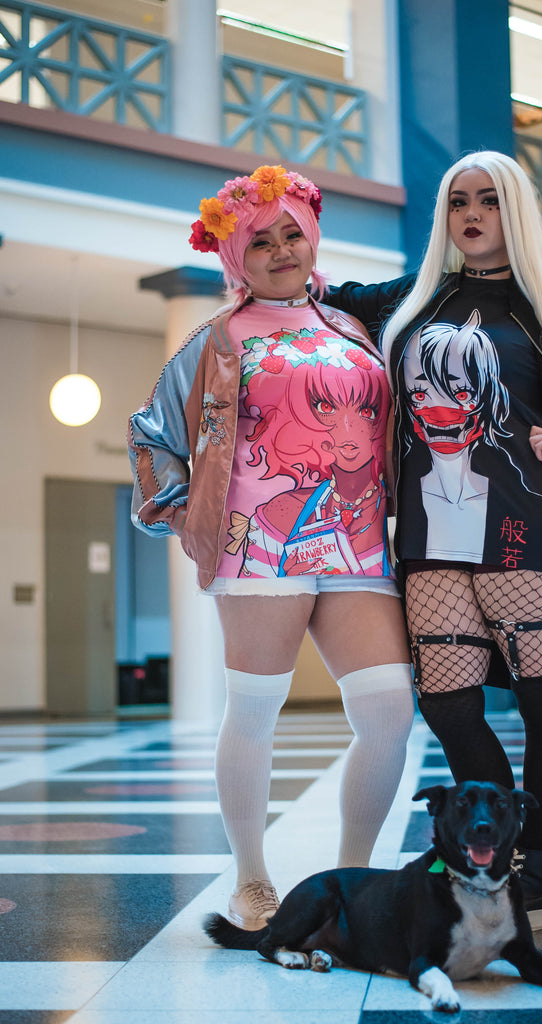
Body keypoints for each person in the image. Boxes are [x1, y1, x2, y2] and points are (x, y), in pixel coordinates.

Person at [325, 150, 542, 929]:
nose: (471, 214)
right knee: (447, 705)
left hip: (531, 524)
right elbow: (316, 297)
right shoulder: (412, 300)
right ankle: (503, 857)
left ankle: (533, 875)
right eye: (458, 201)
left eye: (487, 201)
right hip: (430, 532)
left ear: (513, 212)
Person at [128, 164, 414, 930]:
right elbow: (150, 434)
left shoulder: (353, 329)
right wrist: (186, 516)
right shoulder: (216, 338)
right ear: (236, 256)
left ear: (313, 238)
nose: (282, 250)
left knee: (389, 711)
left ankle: (352, 879)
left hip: (358, 544)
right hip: (259, 546)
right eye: (261, 241)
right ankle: (252, 879)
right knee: (255, 710)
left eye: (294, 234)